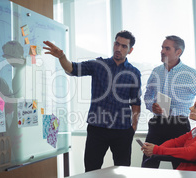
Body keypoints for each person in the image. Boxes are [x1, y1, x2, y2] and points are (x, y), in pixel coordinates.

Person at [43, 30, 141, 172]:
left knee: (123, 171)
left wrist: (133, 128)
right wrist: (61, 57)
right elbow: (73, 69)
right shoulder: (98, 65)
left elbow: (135, 103)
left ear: (130, 50)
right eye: (117, 44)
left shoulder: (134, 73)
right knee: (91, 170)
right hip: (97, 129)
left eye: (124, 46)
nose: (118, 49)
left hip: (122, 130)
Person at [142, 35, 196, 169]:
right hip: (157, 123)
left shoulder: (190, 74)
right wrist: (152, 106)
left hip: (178, 125)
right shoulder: (156, 71)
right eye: (162, 47)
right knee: (148, 162)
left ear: (178, 52)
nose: (162, 51)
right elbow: (148, 95)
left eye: (167, 48)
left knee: (180, 166)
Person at [141, 95, 196, 171]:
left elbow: (190, 153)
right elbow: (175, 142)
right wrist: (154, 150)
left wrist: (157, 150)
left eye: (195, 107)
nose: (190, 108)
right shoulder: (195, 131)